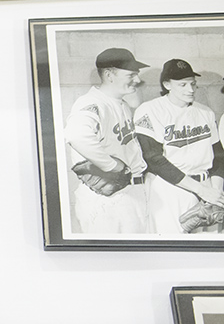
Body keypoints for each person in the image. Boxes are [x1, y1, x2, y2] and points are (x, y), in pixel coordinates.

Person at [64, 48, 149, 233]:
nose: (137, 80)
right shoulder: (92, 102)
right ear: (109, 75)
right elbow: (76, 135)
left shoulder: (119, 103)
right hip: (107, 199)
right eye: (131, 75)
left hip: (129, 193)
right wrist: (111, 166)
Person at [133, 59, 224, 233]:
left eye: (193, 84)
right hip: (170, 188)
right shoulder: (150, 110)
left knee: (207, 249)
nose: (190, 90)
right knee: (171, 244)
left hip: (206, 187)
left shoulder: (205, 111)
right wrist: (201, 190)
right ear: (167, 84)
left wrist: (215, 191)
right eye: (182, 85)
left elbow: (219, 155)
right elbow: (154, 159)